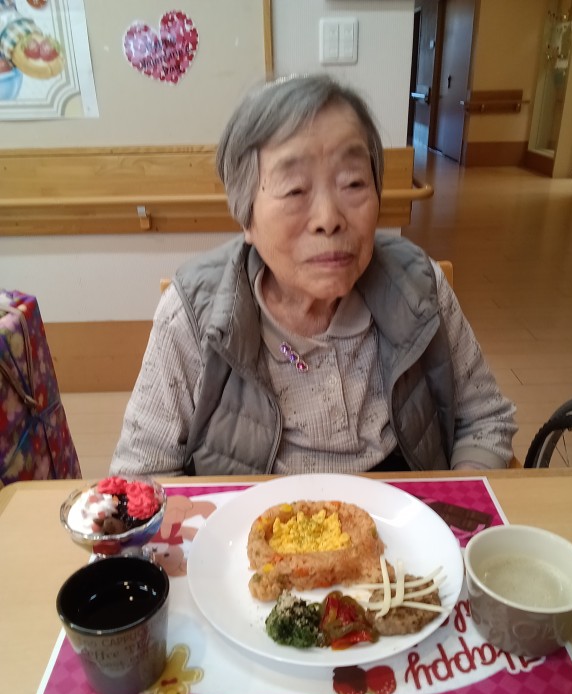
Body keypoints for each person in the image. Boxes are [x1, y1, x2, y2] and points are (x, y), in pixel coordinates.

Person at [110, 74, 517, 477]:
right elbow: (141, 472)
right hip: (253, 516)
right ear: (246, 218)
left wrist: (454, 500)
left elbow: (485, 420)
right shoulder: (192, 315)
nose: (328, 218)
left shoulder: (418, 286)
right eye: (294, 190)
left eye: (353, 183)